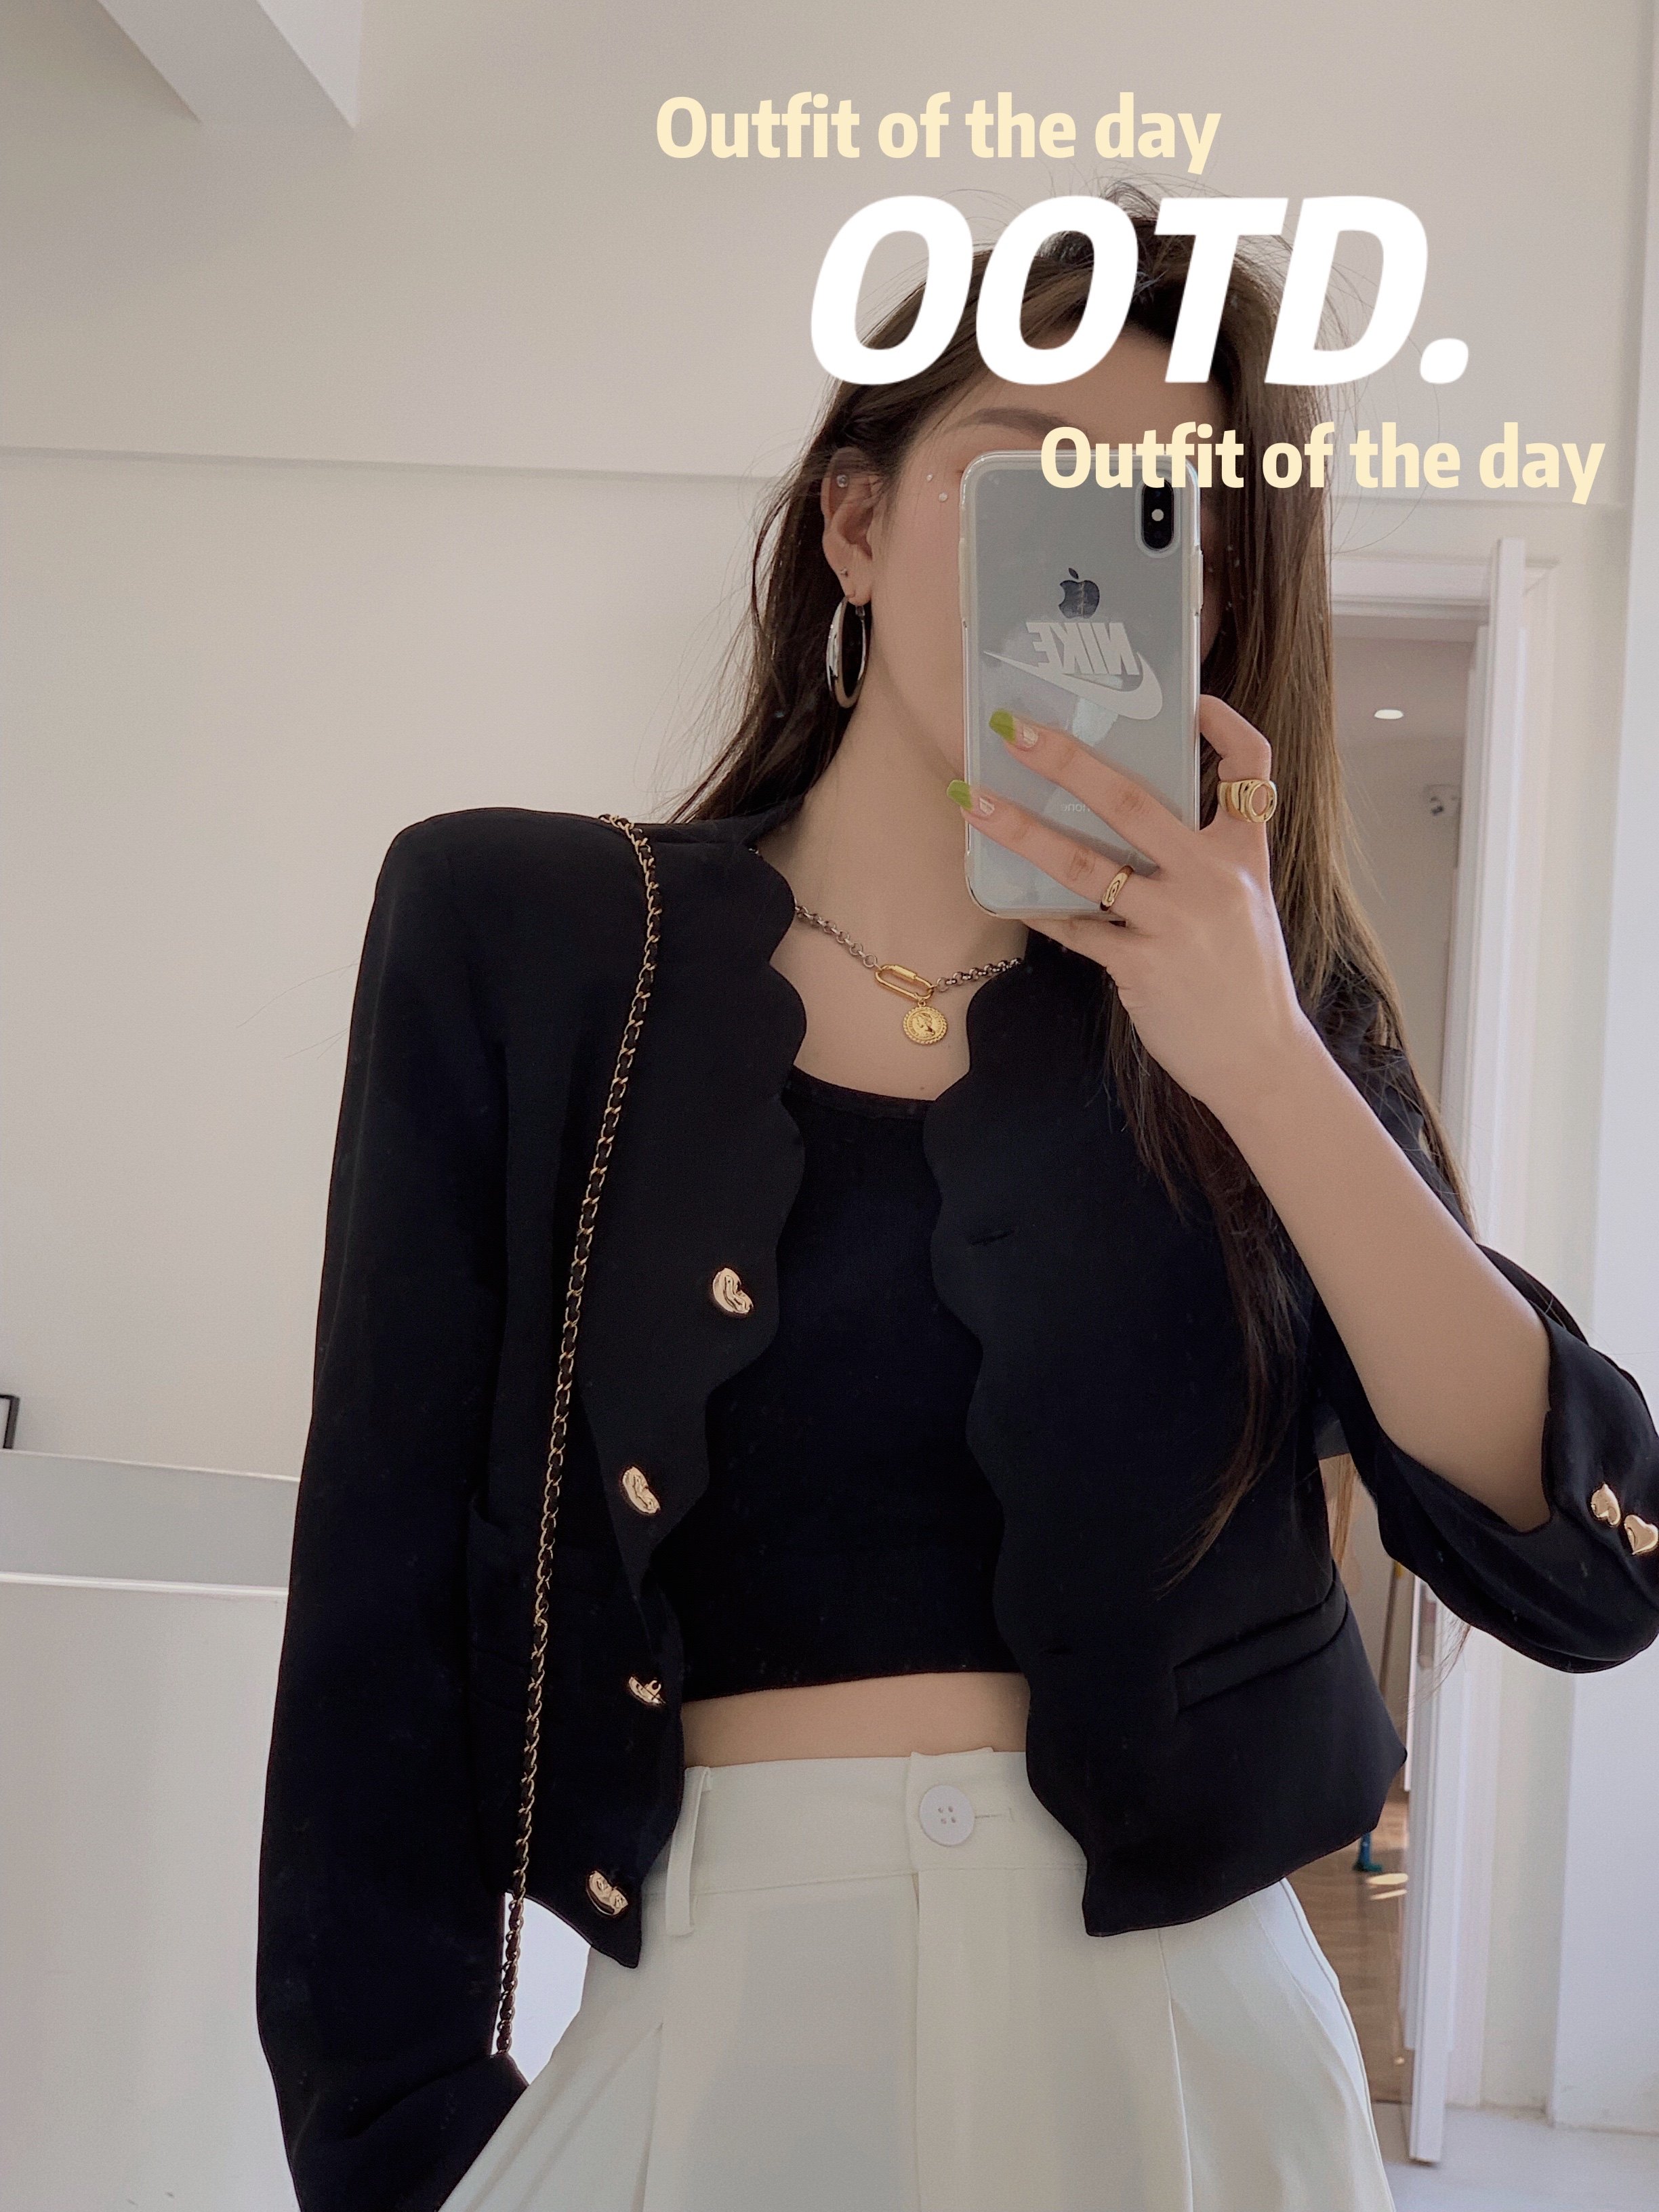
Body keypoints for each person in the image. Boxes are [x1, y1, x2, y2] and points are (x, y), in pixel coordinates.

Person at [256, 195, 1659, 2212]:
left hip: (1193, 2064)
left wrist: (1262, 1056)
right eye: (1027, 475)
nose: (1092, 549)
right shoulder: (533, 941)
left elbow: (1587, 1571)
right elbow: (376, 1622)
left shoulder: (1268, 1008)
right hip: (717, 2050)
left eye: (1168, 512)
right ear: (854, 525)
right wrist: (392, 2151)